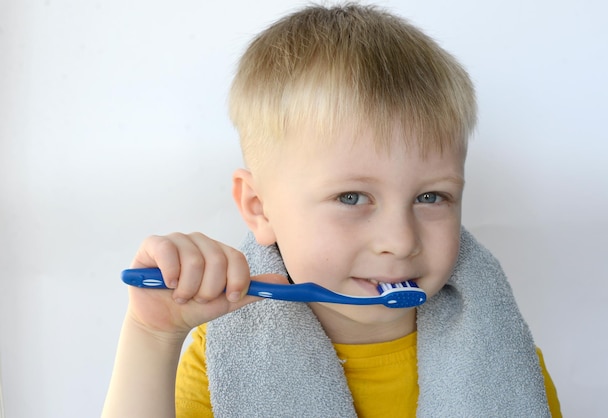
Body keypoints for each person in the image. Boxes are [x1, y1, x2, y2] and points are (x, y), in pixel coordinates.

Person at [102, 3, 561, 417]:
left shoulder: (503, 360)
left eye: (430, 197)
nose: (400, 241)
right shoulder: (222, 359)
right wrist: (152, 336)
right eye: (351, 198)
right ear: (259, 207)